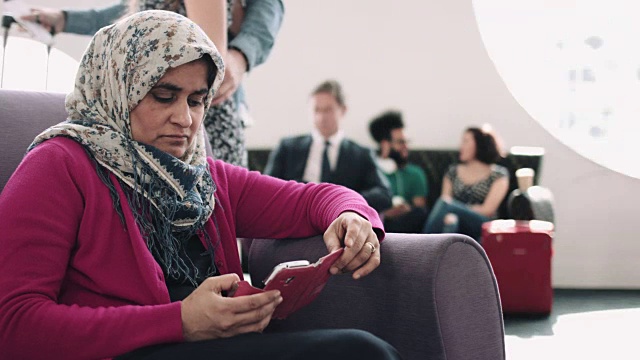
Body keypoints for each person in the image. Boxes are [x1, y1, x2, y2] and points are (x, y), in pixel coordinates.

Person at [0, 11, 401, 360]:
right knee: (361, 352)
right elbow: (12, 324)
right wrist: (179, 322)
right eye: (163, 96)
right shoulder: (60, 164)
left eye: (195, 100)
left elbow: (315, 198)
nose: (186, 119)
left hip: (212, 348)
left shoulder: (202, 177)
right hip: (124, 354)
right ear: (119, 90)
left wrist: (351, 216)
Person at [22, 0, 285, 167]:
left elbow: (211, 57)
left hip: (208, 123)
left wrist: (239, 58)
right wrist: (66, 19)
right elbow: (130, 18)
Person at [264, 80, 392, 213]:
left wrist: (346, 200)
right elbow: (267, 188)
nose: (321, 117)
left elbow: (384, 194)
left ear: (343, 110)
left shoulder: (361, 154)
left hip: (340, 219)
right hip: (294, 216)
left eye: (328, 110)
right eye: (316, 110)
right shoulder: (288, 148)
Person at [422, 126, 509, 241]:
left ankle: (421, 247)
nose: (461, 146)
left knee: (446, 206)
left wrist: (457, 209)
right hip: (455, 219)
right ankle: (442, 257)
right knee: (451, 221)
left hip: (482, 223)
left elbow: (488, 210)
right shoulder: (452, 172)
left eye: (466, 141)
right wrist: (454, 213)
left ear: (479, 144)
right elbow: (446, 199)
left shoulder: (499, 175)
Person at [369, 110, 429, 233]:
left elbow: (421, 211)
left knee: (420, 213)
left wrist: (406, 209)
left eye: (406, 142)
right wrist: (385, 215)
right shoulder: (369, 173)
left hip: (407, 226)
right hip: (377, 225)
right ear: (385, 145)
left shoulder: (415, 174)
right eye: (401, 142)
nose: (406, 147)